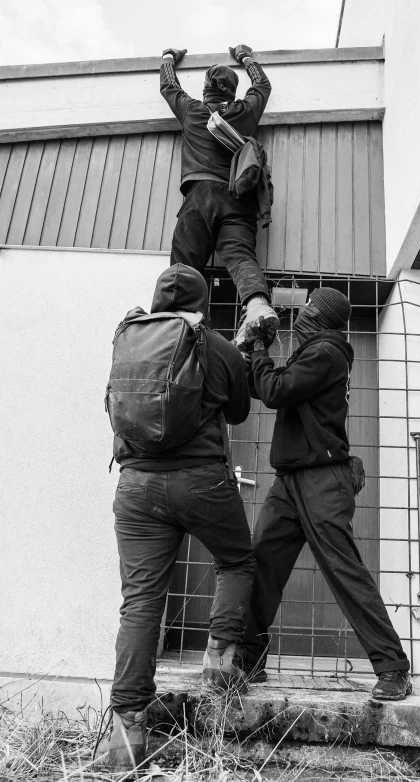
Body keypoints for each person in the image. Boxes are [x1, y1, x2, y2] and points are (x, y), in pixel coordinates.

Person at [97, 264, 255, 770]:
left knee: (141, 600)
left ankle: (126, 732)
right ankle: (219, 663)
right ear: (201, 304)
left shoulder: (130, 338)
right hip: (201, 481)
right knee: (235, 560)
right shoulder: (213, 344)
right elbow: (237, 414)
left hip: (136, 486)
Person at [238, 288, 412, 701]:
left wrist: (260, 348)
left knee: (343, 570)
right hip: (291, 479)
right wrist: (243, 361)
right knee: (263, 562)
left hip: (321, 481)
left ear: (323, 317)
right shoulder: (313, 353)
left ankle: (393, 668)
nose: (301, 316)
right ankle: (250, 659)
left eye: (308, 310)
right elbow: (271, 386)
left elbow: (277, 389)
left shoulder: (327, 353)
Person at [159, 44, 279, 350]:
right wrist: (246, 57)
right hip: (238, 196)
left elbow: (167, 85)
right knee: (240, 257)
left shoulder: (192, 110)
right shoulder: (246, 110)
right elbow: (263, 85)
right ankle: (257, 308)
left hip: (199, 195)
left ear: (205, 89)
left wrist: (169, 58)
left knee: (184, 266)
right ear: (232, 90)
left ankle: (189, 327)